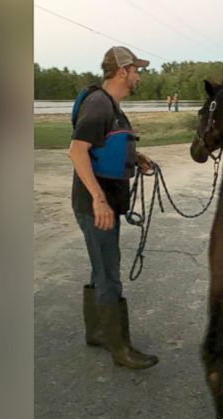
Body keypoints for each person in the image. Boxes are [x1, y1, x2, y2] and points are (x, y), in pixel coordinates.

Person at [68, 46, 158, 369]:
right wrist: (99, 199)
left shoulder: (111, 105)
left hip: (102, 203)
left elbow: (106, 146)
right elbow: (77, 151)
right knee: (109, 272)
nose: (139, 75)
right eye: (136, 70)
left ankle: (98, 332)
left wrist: (138, 157)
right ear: (123, 71)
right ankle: (120, 348)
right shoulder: (98, 105)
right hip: (96, 205)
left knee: (102, 266)